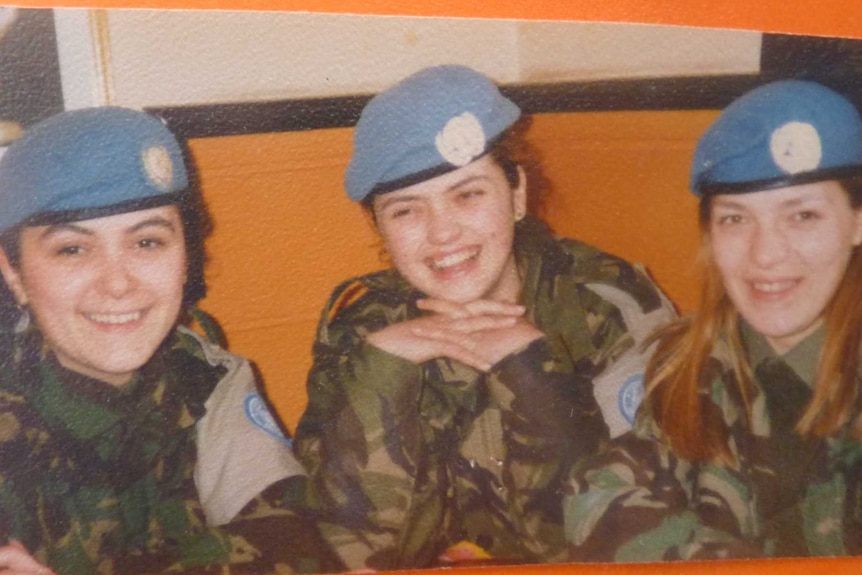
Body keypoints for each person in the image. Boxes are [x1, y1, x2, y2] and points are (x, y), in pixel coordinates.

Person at [292, 64, 675, 571]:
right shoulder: (364, 324)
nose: (442, 233)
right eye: (407, 210)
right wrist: (385, 370)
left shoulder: (606, 306)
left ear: (516, 194)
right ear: (380, 228)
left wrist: (531, 374)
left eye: (468, 194)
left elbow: (615, 539)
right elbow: (349, 544)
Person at [0, 107, 344, 575]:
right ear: (13, 271)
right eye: (73, 249)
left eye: (147, 242)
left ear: (186, 256)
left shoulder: (205, 377)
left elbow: (294, 544)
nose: (118, 284)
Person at [565, 80, 862, 560]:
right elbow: (598, 498)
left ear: (857, 221)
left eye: (802, 215)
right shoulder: (697, 360)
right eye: (735, 219)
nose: (765, 254)